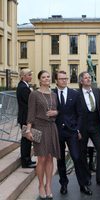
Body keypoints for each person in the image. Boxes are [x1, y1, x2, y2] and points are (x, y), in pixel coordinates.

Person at [54, 71, 92, 195]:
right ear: (56, 81)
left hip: (72, 132)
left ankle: (83, 185)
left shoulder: (74, 94)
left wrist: (77, 129)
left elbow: (80, 114)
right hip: (57, 131)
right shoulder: (52, 94)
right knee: (60, 160)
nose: (64, 80)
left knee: (77, 157)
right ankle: (63, 184)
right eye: (61, 79)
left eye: (65, 78)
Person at [26, 70, 60, 199]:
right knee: (42, 158)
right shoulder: (34, 94)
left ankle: (48, 185)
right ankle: (40, 185)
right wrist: (28, 130)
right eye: (44, 77)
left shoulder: (54, 95)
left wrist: (55, 112)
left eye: (48, 77)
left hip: (52, 128)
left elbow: (57, 110)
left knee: (50, 157)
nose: (46, 79)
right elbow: (31, 113)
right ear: (39, 80)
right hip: (39, 128)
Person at [78, 71, 100, 186]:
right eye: (85, 78)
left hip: (96, 125)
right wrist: (77, 129)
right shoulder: (77, 94)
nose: (88, 79)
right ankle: (86, 177)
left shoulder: (97, 91)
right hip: (83, 127)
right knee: (82, 152)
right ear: (81, 81)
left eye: (89, 77)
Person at [16, 68, 36, 168]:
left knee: (27, 140)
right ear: (23, 76)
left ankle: (27, 159)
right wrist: (31, 92)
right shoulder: (23, 87)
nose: (31, 77)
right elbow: (30, 102)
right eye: (29, 75)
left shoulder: (24, 86)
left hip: (25, 117)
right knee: (26, 140)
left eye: (30, 75)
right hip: (25, 118)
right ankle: (25, 161)